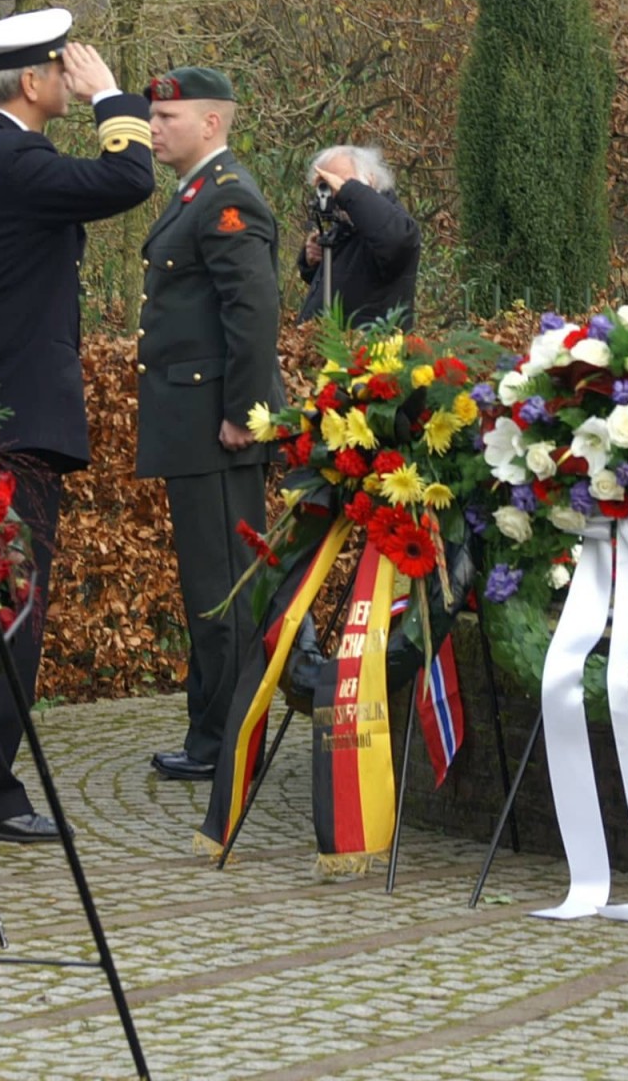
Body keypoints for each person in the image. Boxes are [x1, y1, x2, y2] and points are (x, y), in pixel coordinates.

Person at [0, 7, 154, 841]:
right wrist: (110, 98)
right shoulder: (12, 158)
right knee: (9, 613)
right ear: (32, 82)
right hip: (14, 427)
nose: (70, 77)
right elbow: (129, 179)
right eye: (64, 69)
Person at [134, 67, 282, 781]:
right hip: (193, 422)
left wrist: (243, 415)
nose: (156, 127)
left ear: (212, 124)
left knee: (224, 589)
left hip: (217, 428)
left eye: (168, 116)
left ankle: (230, 744)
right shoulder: (196, 195)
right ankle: (210, 734)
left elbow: (252, 316)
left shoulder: (227, 199)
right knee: (209, 587)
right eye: (153, 117)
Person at [295, 144, 420, 327]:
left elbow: (398, 241)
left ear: (370, 179)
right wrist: (312, 261)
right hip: (327, 349)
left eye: (341, 182)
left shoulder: (391, 224)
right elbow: (346, 279)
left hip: (368, 351)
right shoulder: (347, 226)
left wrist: (347, 191)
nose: (335, 193)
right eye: (327, 185)